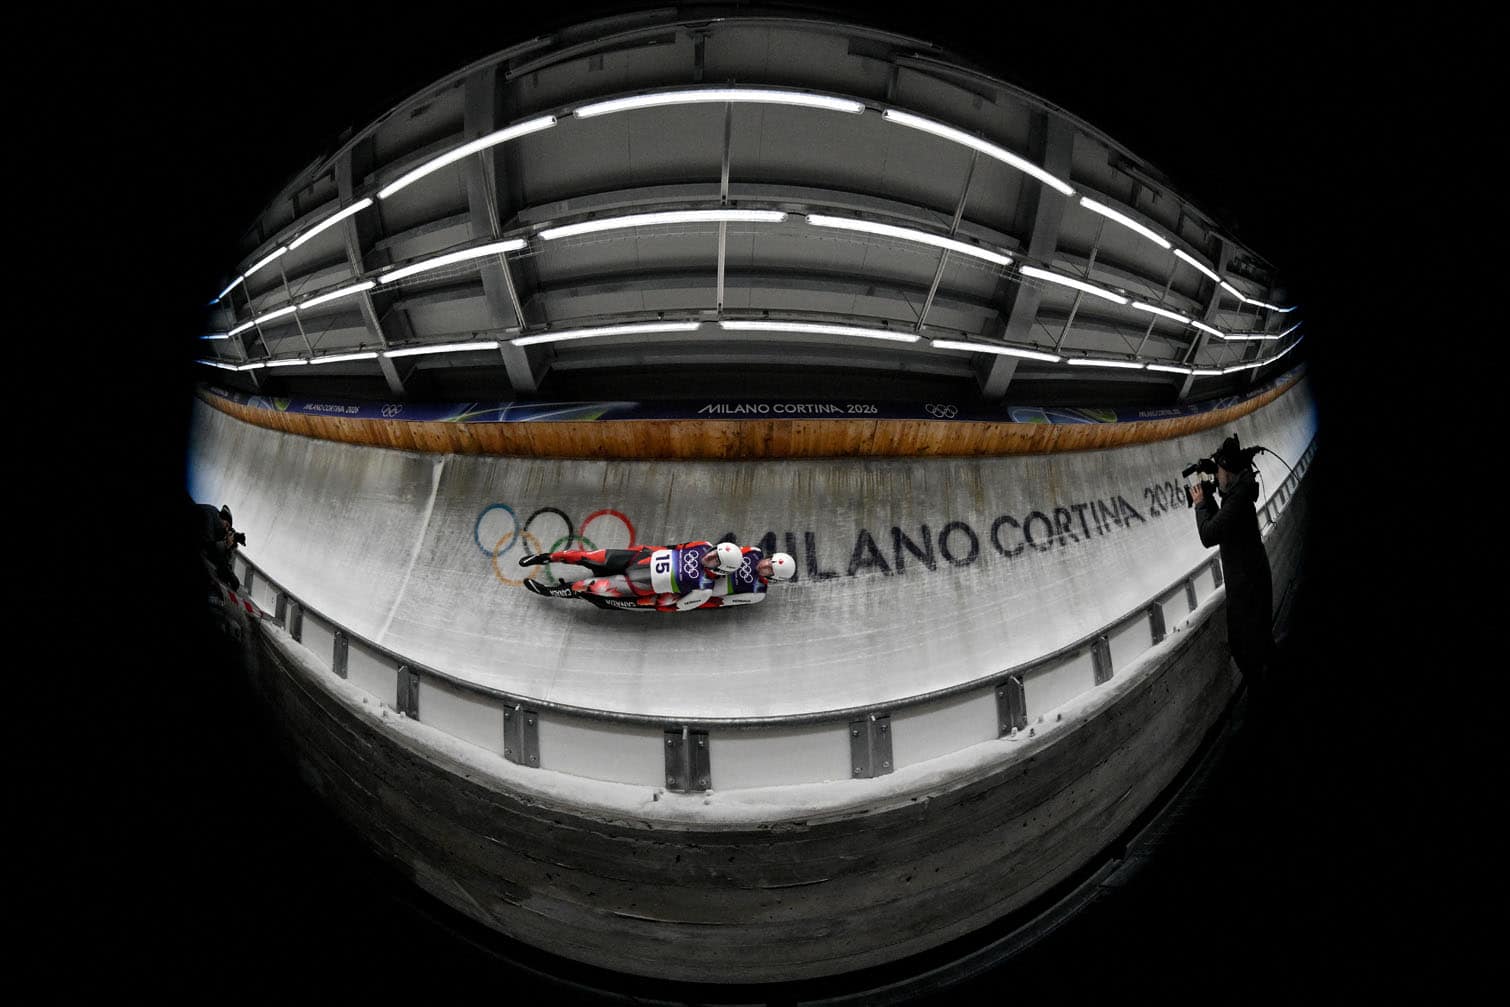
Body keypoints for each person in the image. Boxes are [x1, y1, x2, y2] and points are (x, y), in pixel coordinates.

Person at [1191, 434, 1275, 707]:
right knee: (1259, 642)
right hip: (1251, 580)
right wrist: (1213, 501)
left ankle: (1262, 698)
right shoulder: (1239, 492)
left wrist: (1201, 504)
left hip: (1247, 588)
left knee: (1244, 648)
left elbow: (1209, 533)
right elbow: (1224, 524)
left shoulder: (1237, 500)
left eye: (1219, 473)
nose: (1217, 478)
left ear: (1228, 471)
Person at [518, 540, 745, 612]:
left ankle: (549, 591)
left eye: (715, 559)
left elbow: (672, 607)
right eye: (714, 551)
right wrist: (644, 549)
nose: (710, 555)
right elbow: (674, 546)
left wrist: (641, 602)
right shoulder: (702, 546)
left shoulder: (703, 588)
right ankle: (544, 557)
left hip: (634, 585)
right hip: (635, 559)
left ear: (720, 570)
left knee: (586, 585)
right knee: (587, 556)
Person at [703, 544, 796, 606]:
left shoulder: (758, 593)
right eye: (769, 561)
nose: (764, 565)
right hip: (705, 565)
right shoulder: (754, 551)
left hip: (705, 586)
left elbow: (720, 602)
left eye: (769, 569)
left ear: (773, 578)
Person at [193, 498, 243, 591]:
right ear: (222, 518)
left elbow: (217, 556)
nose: (226, 529)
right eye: (227, 525)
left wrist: (228, 547)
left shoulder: (215, 522)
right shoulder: (210, 516)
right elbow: (209, 546)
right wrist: (225, 546)